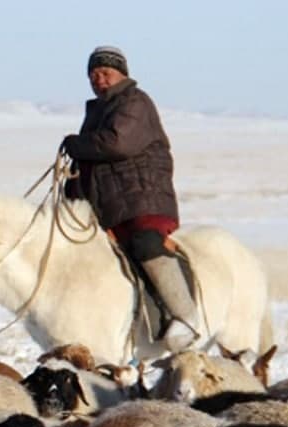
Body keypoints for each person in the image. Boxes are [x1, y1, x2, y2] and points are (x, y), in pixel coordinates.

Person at [62, 45, 200, 353]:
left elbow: (117, 144)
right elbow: (92, 161)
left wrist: (76, 144)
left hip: (142, 199)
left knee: (145, 243)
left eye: (105, 73)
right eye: (93, 75)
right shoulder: (98, 113)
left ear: (121, 74)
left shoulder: (134, 102)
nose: (99, 80)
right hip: (111, 206)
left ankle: (185, 316)